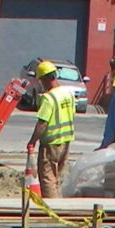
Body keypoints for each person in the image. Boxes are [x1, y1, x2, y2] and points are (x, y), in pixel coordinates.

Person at [26, 61, 75, 197]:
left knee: (48, 178)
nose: (41, 83)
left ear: (46, 78)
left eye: (41, 79)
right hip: (65, 142)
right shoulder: (68, 94)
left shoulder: (48, 98)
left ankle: (51, 209)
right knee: (56, 177)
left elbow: (42, 123)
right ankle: (58, 205)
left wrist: (32, 141)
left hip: (51, 143)